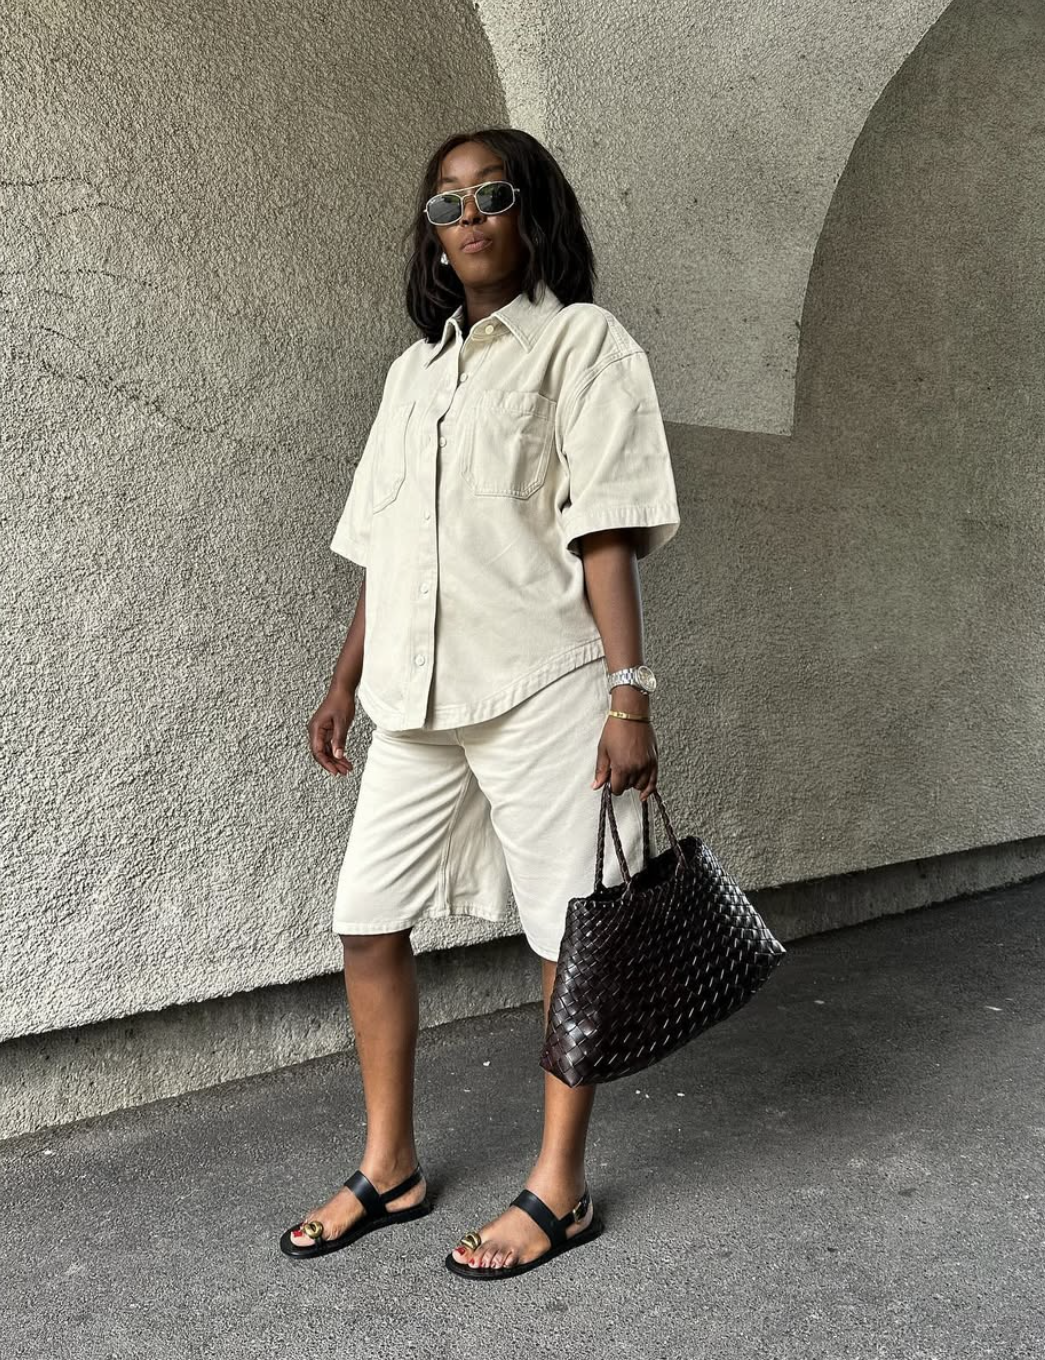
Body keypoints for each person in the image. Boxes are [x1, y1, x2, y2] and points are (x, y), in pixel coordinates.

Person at [280, 127, 681, 1279]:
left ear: (531, 212)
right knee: (365, 914)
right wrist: (344, 679)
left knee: (567, 933)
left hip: (541, 685)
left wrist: (628, 697)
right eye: (446, 202)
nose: (468, 216)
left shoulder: (580, 345)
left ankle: (558, 1186)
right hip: (414, 699)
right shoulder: (415, 375)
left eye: (492, 194)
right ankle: (390, 1163)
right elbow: (385, 546)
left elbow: (601, 530)